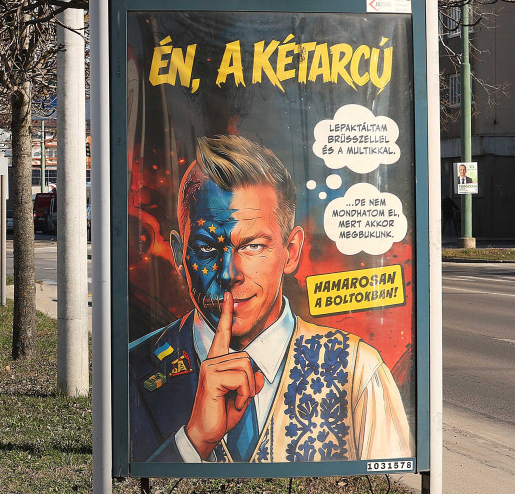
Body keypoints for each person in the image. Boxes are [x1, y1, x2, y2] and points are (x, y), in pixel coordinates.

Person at [129, 134, 411, 464]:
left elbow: (389, 485)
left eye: (253, 246)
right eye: (206, 247)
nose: (230, 273)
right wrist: (193, 442)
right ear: (180, 255)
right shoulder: (134, 369)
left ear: (291, 252)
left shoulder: (357, 371)